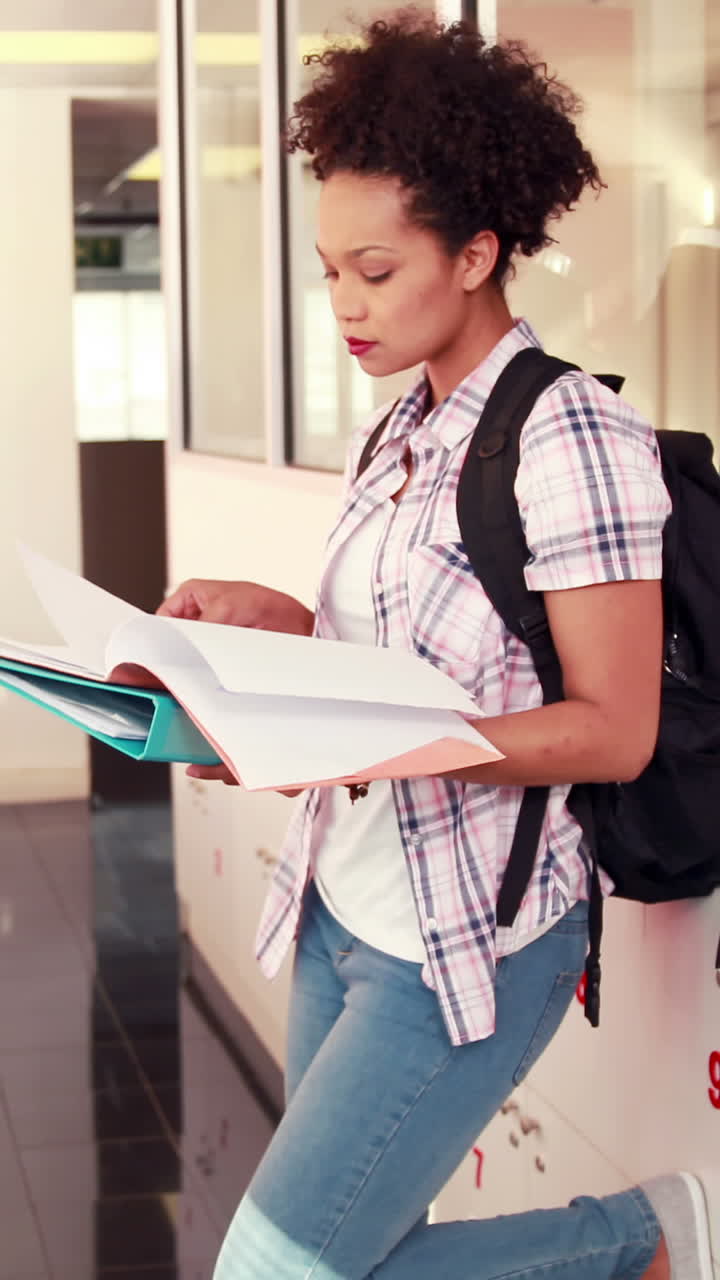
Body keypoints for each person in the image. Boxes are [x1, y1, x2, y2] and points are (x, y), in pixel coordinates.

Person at [163, 13, 714, 1279]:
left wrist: (384, 743)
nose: (345, 305)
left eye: (374, 268)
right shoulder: (400, 424)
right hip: (340, 905)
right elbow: (403, 652)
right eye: (328, 271)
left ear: (475, 254)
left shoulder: (570, 435)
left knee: (281, 1270)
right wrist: (278, 628)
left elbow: (612, 726)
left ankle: (639, 1239)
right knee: (353, 1252)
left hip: (472, 933)